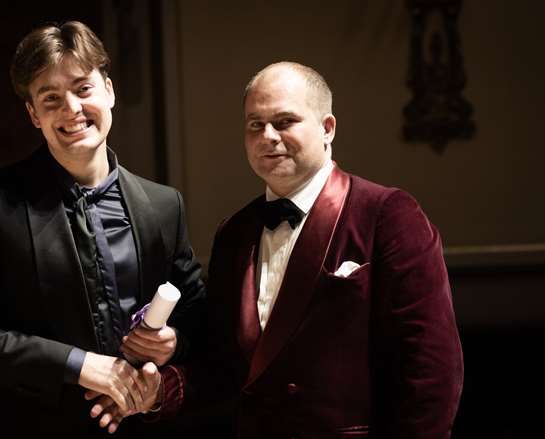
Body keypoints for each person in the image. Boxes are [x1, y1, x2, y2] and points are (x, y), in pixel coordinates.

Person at [94, 61, 464, 438]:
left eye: (284, 122)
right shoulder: (234, 233)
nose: (268, 136)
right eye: (255, 124)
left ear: (327, 128)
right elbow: (222, 368)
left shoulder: (387, 214)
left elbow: (431, 372)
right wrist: (157, 391)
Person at [0, 21, 205, 438]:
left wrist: (174, 343)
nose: (72, 109)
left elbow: (199, 318)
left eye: (82, 89)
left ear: (109, 91)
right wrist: (80, 366)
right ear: (33, 114)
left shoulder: (165, 204)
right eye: (51, 98)